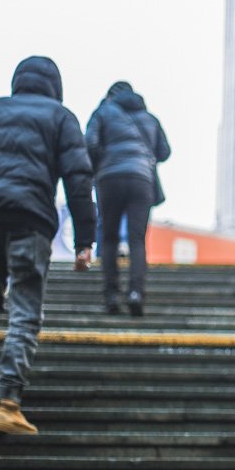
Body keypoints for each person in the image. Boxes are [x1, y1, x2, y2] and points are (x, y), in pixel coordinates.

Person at [0, 55, 96, 436]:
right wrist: (84, 241)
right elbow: (78, 178)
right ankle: (7, 404)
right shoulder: (60, 116)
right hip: (29, 218)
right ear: (54, 87)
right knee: (25, 310)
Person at [84, 80, 171, 317]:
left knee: (109, 237)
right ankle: (136, 293)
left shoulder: (102, 112)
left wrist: (103, 161)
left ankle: (112, 295)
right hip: (141, 180)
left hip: (109, 179)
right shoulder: (150, 118)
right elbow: (165, 152)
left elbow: (89, 143)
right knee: (137, 239)